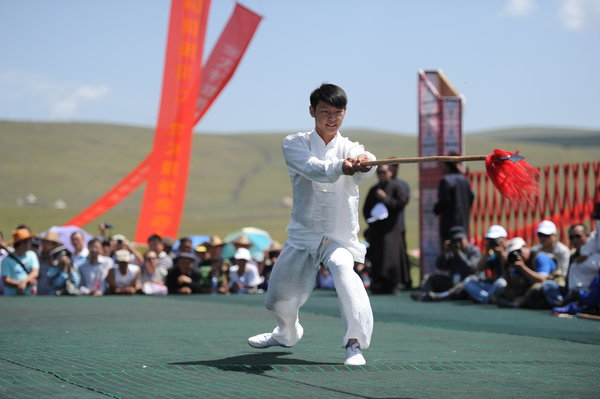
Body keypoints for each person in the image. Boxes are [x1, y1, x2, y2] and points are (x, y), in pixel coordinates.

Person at [247, 83, 376, 366]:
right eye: (325, 111)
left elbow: (369, 163)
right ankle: (285, 333)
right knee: (277, 298)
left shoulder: (352, 148)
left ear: (345, 113)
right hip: (303, 235)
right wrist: (342, 166)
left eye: (338, 112)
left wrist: (366, 162)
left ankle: (354, 343)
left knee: (343, 269)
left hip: (338, 236)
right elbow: (312, 168)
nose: (332, 118)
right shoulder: (294, 143)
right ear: (312, 111)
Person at [363, 164, 410, 294]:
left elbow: (401, 203)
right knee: (378, 255)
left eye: (383, 172)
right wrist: (371, 220)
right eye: (378, 172)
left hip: (392, 229)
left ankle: (393, 284)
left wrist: (386, 199)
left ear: (390, 173)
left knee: (391, 256)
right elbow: (366, 208)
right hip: (377, 229)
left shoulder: (396, 187)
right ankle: (378, 283)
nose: (381, 175)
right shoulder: (374, 189)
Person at [411, 226, 481, 301]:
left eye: (460, 240)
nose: (459, 243)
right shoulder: (451, 250)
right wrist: (445, 252)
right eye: (456, 240)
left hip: (468, 283)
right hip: (453, 281)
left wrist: (459, 254)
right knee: (429, 278)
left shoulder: (474, 250)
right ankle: (426, 294)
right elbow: (439, 266)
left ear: (465, 238)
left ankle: (441, 296)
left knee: (468, 282)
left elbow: (471, 268)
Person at [496, 237, 564, 309]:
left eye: (518, 251)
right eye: (513, 253)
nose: (517, 255)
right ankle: (522, 302)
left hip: (554, 290)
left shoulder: (540, 257)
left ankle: (519, 303)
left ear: (526, 247)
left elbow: (541, 280)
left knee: (537, 287)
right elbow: (511, 285)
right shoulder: (517, 262)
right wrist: (505, 266)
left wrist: (522, 267)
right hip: (534, 294)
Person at [463, 225, 509, 304]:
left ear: (504, 238)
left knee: (501, 282)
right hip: (494, 287)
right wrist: (487, 252)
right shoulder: (492, 254)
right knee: (468, 282)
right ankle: (489, 299)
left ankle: (486, 299)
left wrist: (502, 255)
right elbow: (479, 269)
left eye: (495, 239)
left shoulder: (512, 249)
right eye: (490, 240)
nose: (493, 242)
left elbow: (507, 273)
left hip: (508, 286)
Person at [433, 155, 474, 243]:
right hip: (463, 224)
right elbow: (471, 198)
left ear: (448, 165)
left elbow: (443, 201)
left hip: (449, 225)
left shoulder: (446, 181)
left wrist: (436, 209)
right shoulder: (465, 181)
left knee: (449, 252)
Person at [1, 228, 40, 295]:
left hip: (29, 295)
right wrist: (20, 284)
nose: (31, 243)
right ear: (22, 243)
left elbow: (35, 272)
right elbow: (6, 280)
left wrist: (24, 282)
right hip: (12, 297)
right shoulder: (6, 260)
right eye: (29, 241)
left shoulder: (31, 255)